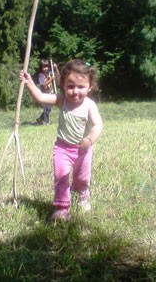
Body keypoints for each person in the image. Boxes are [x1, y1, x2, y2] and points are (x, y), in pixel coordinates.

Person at [20, 59, 103, 221]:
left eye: (81, 87)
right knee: (61, 175)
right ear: (63, 85)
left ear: (90, 87)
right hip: (63, 148)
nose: (75, 91)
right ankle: (62, 208)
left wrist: (89, 140)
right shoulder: (61, 100)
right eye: (70, 86)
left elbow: (98, 125)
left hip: (83, 149)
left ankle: (82, 195)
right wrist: (29, 83)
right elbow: (41, 97)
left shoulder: (89, 105)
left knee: (82, 177)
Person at [35, 59, 58, 125]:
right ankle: (46, 122)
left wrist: (56, 69)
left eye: (47, 66)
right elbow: (43, 84)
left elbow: (57, 76)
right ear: (41, 68)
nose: (46, 68)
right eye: (44, 67)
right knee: (46, 109)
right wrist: (51, 79)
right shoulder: (41, 75)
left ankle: (40, 119)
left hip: (50, 93)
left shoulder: (50, 73)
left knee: (49, 109)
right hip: (44, 94)